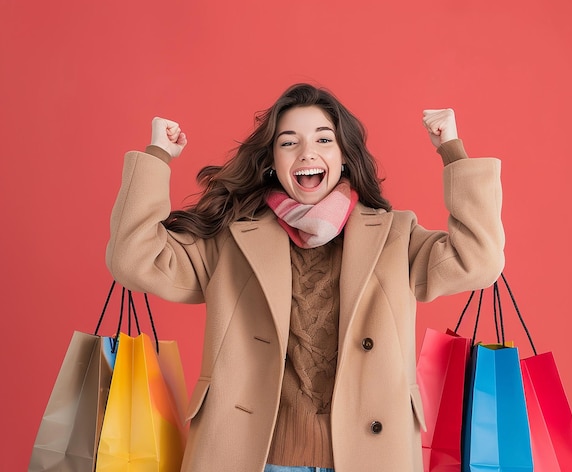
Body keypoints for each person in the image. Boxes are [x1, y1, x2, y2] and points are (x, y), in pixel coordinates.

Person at [106, 83, 505, 472]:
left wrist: (452, 151)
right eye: (288, 142)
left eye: (323, 139)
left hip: (370, 454)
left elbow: (479, 259)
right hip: (254, 456)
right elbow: (134, 259)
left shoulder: (394, 236)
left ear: (344, 155)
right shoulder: (232, 240)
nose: (307, 152)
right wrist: (157, 155)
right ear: (272, 162)